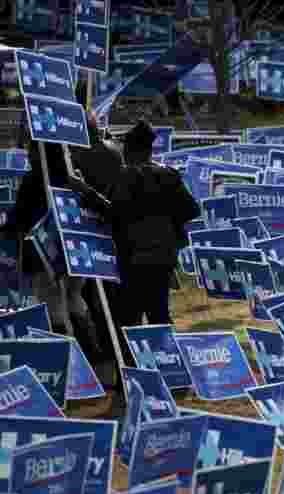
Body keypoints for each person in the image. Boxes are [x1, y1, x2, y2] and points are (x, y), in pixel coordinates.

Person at [1, 131, 110, 355]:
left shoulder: (35, 179)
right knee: (73, 296)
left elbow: (19, 218)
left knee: (53, 301)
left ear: (39, 152)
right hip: (76, 249)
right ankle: (90, 348)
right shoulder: (73, 176)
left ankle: (68, 353)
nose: (29, 153)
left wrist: (7, 230)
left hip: (46, 250)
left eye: (31, 149)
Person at [94, 120, 199, 347]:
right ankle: (169, 368)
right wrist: (168, 221)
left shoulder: (126, 177)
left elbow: (112, 214)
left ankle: (133, 370)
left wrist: (88, 195)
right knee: (159, 314)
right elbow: (192, 210)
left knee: (130, 319)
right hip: (163, 257)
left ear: (131, 150)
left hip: (133, 258)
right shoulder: (168, 176)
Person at [72, 113, 124, 378]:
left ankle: (107, 353)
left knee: (97, 297)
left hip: (92, 230)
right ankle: (117, 350)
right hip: (119, 232)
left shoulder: (79, 159)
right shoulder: (116, 151)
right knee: (113, 296)